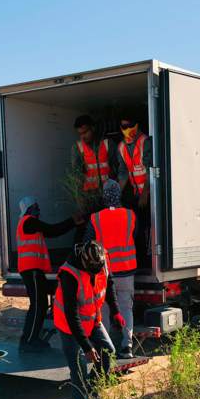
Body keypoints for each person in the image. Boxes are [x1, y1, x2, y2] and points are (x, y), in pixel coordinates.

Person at [54, 241, 124, 399]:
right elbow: (71, 314)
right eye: (92, 269)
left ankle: (92, 388)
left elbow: (109, 283)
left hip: (92, 319)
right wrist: (86, 346)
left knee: (109, 350)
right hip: (69, 326)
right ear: (84, 262)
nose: (96, 271)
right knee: (78, 371)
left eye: (98, 268)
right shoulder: (70, 274)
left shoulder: (101, 259)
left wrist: (115, 311)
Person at [15, 196, 79, 351]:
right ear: (29, 208)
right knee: (38, 305)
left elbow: (51, 232)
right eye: (36, 206)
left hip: (34, 270)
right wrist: (72, 221)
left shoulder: (29, 224)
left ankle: (31, 338)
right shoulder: (29, 221)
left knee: (40, 304)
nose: (39, 209)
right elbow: (53, 230)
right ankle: (29, 341)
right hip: (32, 270)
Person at [84, 180, 137, 359]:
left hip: (105, 273)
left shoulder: (95, 218)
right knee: (126, 308)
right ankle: (127, 347)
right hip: (127, 271)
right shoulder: (130, 215)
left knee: (104, 309)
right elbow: (135, 235)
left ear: (104, 196)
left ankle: (105, 348)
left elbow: (87, 244)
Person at [115, 114, 152, 264]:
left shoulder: (145, 142)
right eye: (124, 126)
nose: (127, 129)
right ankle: (141, 258)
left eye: (130, 125)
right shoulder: (121, 147)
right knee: (138, 226)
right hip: (138, 194)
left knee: (150, 226)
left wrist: (145, 194)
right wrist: (116, 195)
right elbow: (123, 173)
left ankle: (149, 258)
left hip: (150, 194)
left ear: (136, 125)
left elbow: (151, 169)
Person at [71, 115, 114, 225]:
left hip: (108, 196)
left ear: (93, 128)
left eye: (85, 132)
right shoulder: (77, 148)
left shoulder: (108, 144)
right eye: (80, 134)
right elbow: (77, 177)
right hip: (89, 199)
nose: (82, 137)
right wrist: (80, 203)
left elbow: (117, 171)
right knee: (89, 230)